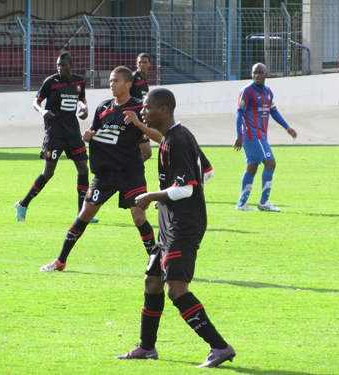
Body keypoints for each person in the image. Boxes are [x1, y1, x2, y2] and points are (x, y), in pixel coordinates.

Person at [116, 88, 235, 368]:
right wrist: (166, 196)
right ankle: (146, 348)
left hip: (184, 225)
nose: (142, 111)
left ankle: (219, 347)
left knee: (176, 289)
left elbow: (188, 187)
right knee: (153, 281)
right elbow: (207, 172)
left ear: (163, 110)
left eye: (147, 107)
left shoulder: (178, 140)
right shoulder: (175, 137)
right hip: (171, 222)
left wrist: (152, 196)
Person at [39, 66, 163, 272]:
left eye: (116, 81)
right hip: (105, 174)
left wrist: (138, 124)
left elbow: (159, 138)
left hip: (130, 173)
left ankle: (158, 263)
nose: (111, 84)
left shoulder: (140, 108)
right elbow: (95, 133)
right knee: (85, 214)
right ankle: (60, 260)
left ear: (128, 84)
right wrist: (87, 136)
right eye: (111, 81)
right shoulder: (103, 108)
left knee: (139, 217)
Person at [14, 51, 98, 223]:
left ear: (71, 66)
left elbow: (82, 99)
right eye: (58, 64)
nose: (60, 68)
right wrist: (42, 111)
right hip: (55, 134)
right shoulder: (50, 82)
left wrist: (84, 108)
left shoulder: (79, 81)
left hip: (73, 133)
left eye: (64, 65)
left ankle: (82, 214)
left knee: (83, 168)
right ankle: (23, 204)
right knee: (48, 172)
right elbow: (36, 102)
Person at [232, 62, 297, 212]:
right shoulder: (246, 91)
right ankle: (264, 202)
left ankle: (241, 204)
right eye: (255, 73)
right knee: (270, 163)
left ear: (266, 74)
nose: (257, 75)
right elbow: (239, 113)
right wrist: (239, 135)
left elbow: (273, 111)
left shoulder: (268, 92)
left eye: (260, 72)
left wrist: (287, 127)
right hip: (251, 134)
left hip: (261, 135)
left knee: (252, 166)